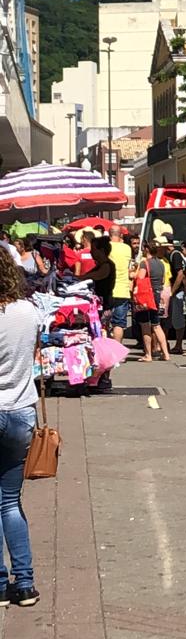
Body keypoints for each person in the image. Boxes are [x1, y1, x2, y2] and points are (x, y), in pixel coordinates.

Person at [0, 249, 41, 607]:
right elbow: (32, 355)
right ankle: (25, 582)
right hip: (21, 410)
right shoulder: (29, 311)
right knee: (10, 501)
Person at [82, 236, 117, 393]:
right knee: (98, 342)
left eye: (94, 249)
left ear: (101, 250)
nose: (91, 252)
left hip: (104, 308)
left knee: (101, 342)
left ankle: (103, 378)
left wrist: (77, 278)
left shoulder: (107, 266)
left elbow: (92, 277)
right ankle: (98, 377)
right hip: (100, 307)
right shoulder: (100, 265)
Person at [134, 242, 170, 363]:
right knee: (156, 325)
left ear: (147, 249)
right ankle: (165, 353)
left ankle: (148, 354)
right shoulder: (161, 263)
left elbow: (140, 277)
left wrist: (132, 273)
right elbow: (163, 279)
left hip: (146, 296)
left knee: (145, 325)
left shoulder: (145, 263)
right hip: (157, 294)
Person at [108, 225, 132, 344]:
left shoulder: (105, 247)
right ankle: (118, 352)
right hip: (123, 289)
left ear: (109, 234)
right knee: (119, 323)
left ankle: (106, 352)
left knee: (104, 323)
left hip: (107, 289)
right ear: (121, 235)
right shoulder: (127, 248)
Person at [167, 238, 186, 353]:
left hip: (177, 292)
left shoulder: (175, 255)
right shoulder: (173, 255)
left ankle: (179, 345)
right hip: (176, 291)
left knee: (177, 319)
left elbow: (180, 275)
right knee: (172, 319)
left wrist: (172, 291)